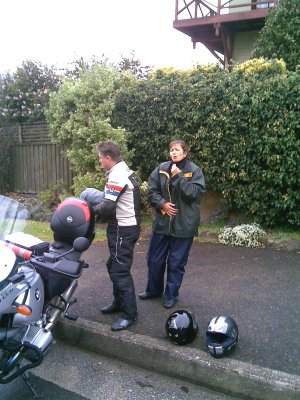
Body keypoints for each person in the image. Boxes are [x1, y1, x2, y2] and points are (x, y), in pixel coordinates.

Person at [139, 139, 205, 309]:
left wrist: (178, 176)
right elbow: (151, 191)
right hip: (162, 223)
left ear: (185, 152)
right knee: (154, 260)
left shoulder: (194, 170)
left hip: (184, 226)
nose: (174, 153)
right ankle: (153, 290)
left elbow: (194, 194)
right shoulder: (161, 168)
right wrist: (162, 204)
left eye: (177, 150)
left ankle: (171, 295)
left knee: (176, 263)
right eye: (171, 150)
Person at [92, 141, 141, 331]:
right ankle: (118, 303)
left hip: (123, 229)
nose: (100, 161)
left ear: (109, 158)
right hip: (126, 226)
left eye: (101, 157)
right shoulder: (123, 170)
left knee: (119, 271)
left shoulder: (117, 175)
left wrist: (87, 209)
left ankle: (130, 315)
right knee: (113, 265)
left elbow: (107, 206)